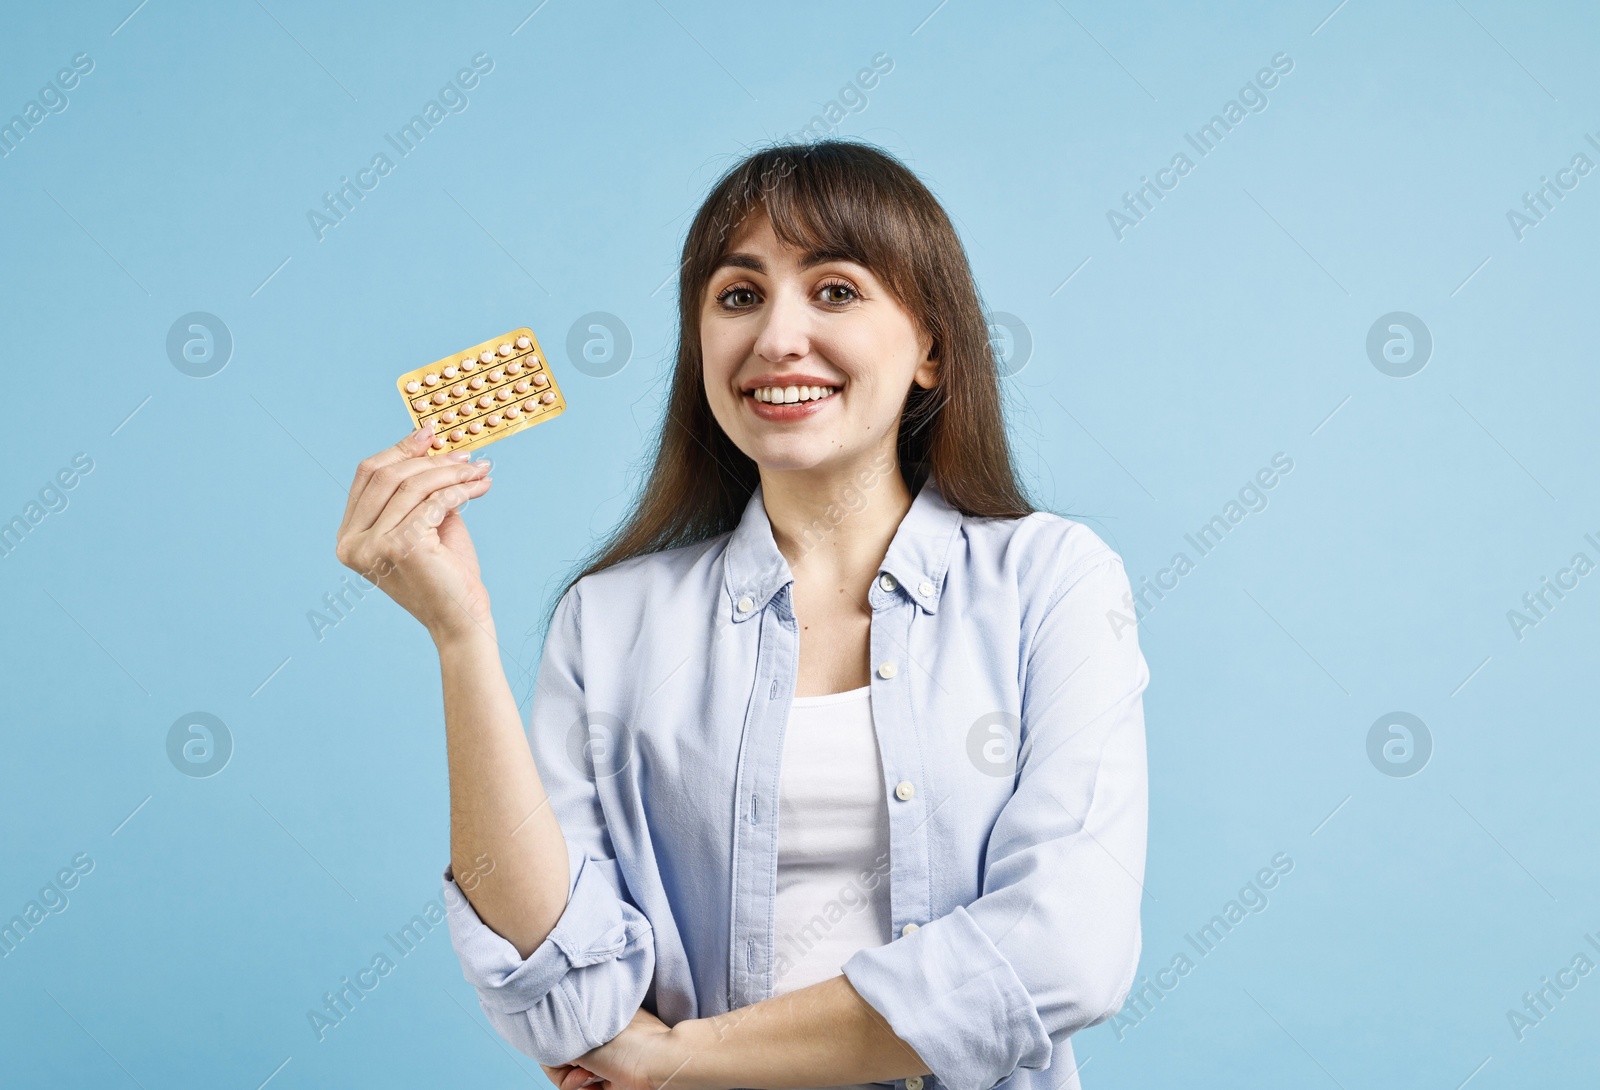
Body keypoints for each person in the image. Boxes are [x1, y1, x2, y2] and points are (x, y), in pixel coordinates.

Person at [334, 140, 1149, 1090]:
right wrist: (460, 633)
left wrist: (680, 1062)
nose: (776, 338)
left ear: (931, 347)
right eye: (738, 295)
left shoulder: (1052, 582)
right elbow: (559, 990)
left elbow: (1064, 951)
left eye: (836, 291)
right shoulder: (610, 621)